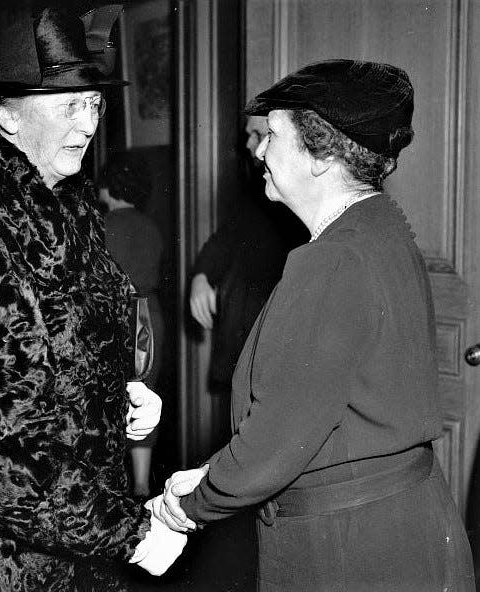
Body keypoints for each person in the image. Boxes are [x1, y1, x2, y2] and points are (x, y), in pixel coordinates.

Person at [152, 59, 475, 591]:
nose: (258, 151)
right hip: (402, 526)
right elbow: (321, 411)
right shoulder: (379, 228)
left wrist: (186, 505)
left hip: (350, 550)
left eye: (273, 136)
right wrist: (213, 471)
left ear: (321, 157)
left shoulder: (331, 263)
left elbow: (275, 443)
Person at [0, 7, 186, 591]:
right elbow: (0, 446)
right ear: (7, 117)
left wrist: (121, 398)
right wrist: (132, 534)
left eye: (94, 104)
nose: (88, 124)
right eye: (68, 106)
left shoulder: (70, 209)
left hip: (73, 551)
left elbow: (61, 358)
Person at [190, 116, 309, 393]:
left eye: (257, 134)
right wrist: (201, 276)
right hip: (239, 344)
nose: (249, 145)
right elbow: (225, 239)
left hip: (271, 354)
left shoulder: (297, 198)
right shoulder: (257, 188)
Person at [98, 152, 165, 499]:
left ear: (108, 187)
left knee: (110, 398)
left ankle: (111, 487)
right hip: (150, 314)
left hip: (116, 314)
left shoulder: (104, 225)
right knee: (144, 396)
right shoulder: (151, 226)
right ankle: (141, 483)